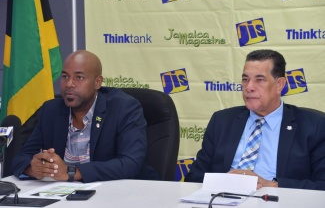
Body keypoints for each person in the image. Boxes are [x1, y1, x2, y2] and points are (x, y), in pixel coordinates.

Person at [185, 49, 325, 190]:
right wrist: (224, 181)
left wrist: (273, 185)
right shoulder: (221, 121)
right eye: (245, 79)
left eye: (260, 80)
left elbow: (322, 184)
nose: (249, 87)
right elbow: (193, 178)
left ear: (280, 85)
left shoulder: (313, 126)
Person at [12, 50, 158, 183]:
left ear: (97, 82)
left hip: (122, 195)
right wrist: (35, 168)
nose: (69, 84)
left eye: (79, 77)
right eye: (65, 76)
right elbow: (21, 157)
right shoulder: (51, 110)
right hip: (66, 196)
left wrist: (71, 172)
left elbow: (130, 163)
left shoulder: (124, 108)